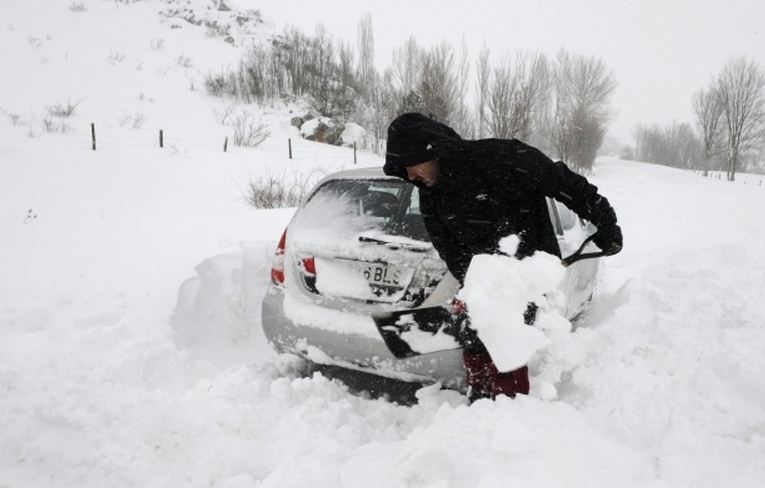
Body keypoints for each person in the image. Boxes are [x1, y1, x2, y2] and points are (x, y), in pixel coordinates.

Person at [383, 112, 623, 401]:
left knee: (506, 349)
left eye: (411, 166)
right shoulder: (431, 193)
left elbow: (565, 183)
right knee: (475, 342)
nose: (410, 176)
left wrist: (605, 221)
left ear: (431, 150)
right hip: (484, 282)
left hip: (525, 276)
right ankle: (482, 405)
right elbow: (448, 247)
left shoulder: (503, 157)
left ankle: (508, 409)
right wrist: (474, 286)